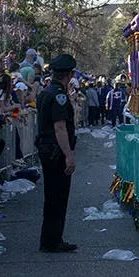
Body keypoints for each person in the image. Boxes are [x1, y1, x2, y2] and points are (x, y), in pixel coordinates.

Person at [35, 53, 79, 253]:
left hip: (47, 149)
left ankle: (50, 238)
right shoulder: (59, 95)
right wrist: (69, 155)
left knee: (52, 196)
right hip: (55, 152)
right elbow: (60, 127)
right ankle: (52, 240)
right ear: (68, 75)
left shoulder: (46, 92)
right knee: (58, 196)